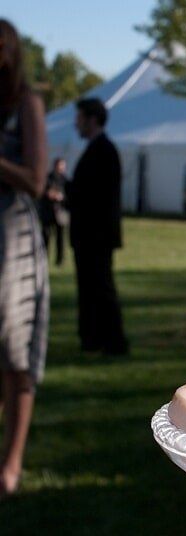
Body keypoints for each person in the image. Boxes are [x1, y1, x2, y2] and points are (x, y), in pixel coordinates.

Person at [0, 19, 49, 497]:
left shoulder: (26, 106)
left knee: (16, 353)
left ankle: (10, 463)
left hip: (11, 240)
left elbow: (36, 180)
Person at [66, 97, 128, 355]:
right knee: (91, 288)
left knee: (100, 287)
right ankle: (94, 338)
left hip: (96, 234)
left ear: (92, 119)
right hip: (90, 234)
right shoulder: (99, 149)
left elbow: (96, 195)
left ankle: (112, 341)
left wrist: (68, 190)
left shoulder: (103, 150)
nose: (75, 124)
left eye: (79, 118)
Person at [39, 157, 68, 266]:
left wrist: (61, 197)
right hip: (48, 212)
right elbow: (45, 192)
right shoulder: (48, 178)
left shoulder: (65, 179)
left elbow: (68, 195)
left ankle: (60, 260)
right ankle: (44, 258)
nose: (62, 168)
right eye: (60, 165)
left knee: (60, 238)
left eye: (63, 166)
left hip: (60, 213)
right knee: (45, 237)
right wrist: (52, 195)